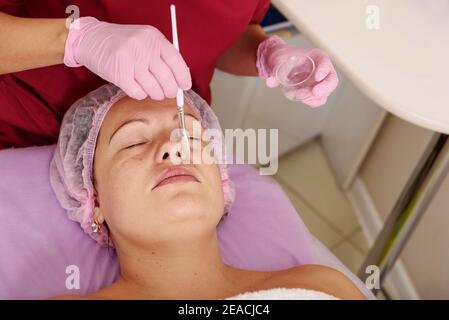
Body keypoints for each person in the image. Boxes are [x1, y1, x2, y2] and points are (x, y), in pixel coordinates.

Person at [49, 84, 362, 300]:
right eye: (133, 142)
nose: (175, 146)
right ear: (93, 200)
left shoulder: (322, 286)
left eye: (193, 137)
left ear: (222, 181)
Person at [0, 1, 338, 149]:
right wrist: (75, 40)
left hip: (155, 133)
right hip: (22, 129)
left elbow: (227, 34)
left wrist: (265, 54)